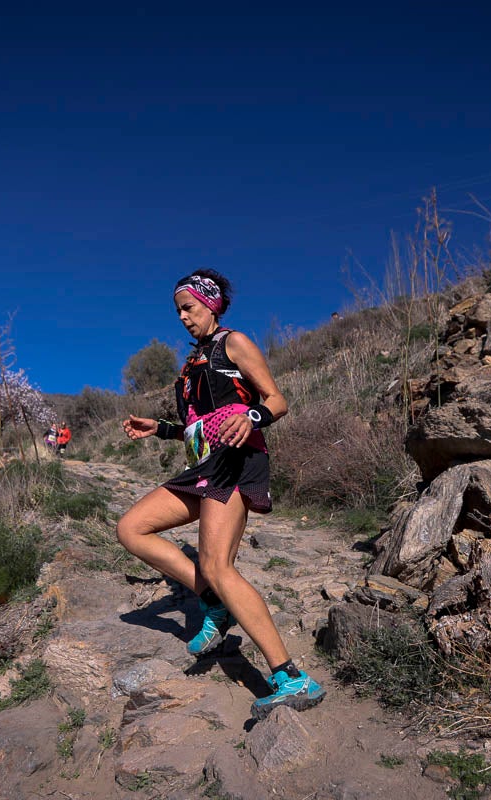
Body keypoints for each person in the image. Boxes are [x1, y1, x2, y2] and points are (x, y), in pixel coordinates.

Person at [117, 269, 325, 720]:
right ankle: (212, 602)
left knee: (216, 563)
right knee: (132, 528)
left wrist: (251, 416)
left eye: (188, 307)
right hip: (202, 465)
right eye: (177, 311)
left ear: (210, 304)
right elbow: (198, 427)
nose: (182, 317)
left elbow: (276, 400)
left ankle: (291, 678)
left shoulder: (234, 343)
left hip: (235, 460)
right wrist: (162, 429)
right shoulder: (193, 363)